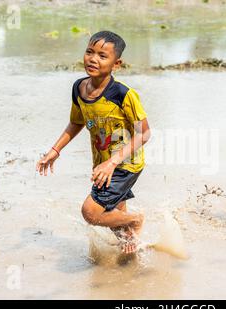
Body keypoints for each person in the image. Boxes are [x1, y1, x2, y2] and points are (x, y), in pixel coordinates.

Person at [36, 31, 151, 254]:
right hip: (104, 162)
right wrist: (55, 150)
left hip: (124, 163)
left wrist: (112, 163)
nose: (93, 59)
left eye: (102, 55)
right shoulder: (79, 88)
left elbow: (144, 133)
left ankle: (135, 220)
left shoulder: (122, 94)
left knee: (91, 212)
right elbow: (76, 122)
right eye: (89, 52)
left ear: (116, 64)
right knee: (114, 214)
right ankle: (130, 250)